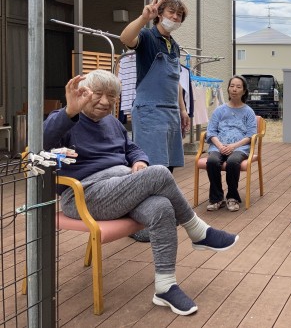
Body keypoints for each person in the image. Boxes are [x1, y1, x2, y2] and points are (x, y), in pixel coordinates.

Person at [43, 70, 239, 316]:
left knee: (161, 207)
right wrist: (69, 111)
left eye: (111, 96)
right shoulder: (66, 120)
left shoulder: (113, 123)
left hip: (121, 186)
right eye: (98, 94)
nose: (105, 101)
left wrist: (139, 162)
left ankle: (165, 287)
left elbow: (132, 148)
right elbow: (42, 140)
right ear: (83, 93)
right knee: (160, 173)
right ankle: (198, 230)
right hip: (85, 194)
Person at [119, 0, 190, 172]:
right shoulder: (147, 37)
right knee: (151, 166)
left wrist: (183, 110)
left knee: (169, 166)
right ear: (159, 14)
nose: (175, 17)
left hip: (171, 113)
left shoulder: (174, 46)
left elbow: (175, 81)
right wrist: (144, 18)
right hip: (150, 113)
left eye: (179, 15)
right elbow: (125, 38)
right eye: (171, 12)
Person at [205, 75, 257, 212]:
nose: (234, 89)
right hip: (218, 146)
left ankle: (232, 197)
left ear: (244, 91)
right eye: (232, 86)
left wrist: (233, 146)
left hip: (240, 148)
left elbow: (251, 135)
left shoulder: (248, 112)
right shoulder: (219, 110)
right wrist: (220, 146)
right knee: (212, 161)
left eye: (238, 87)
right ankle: (216, 198)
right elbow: (211, 132)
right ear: (228, 89)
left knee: (233, 162)